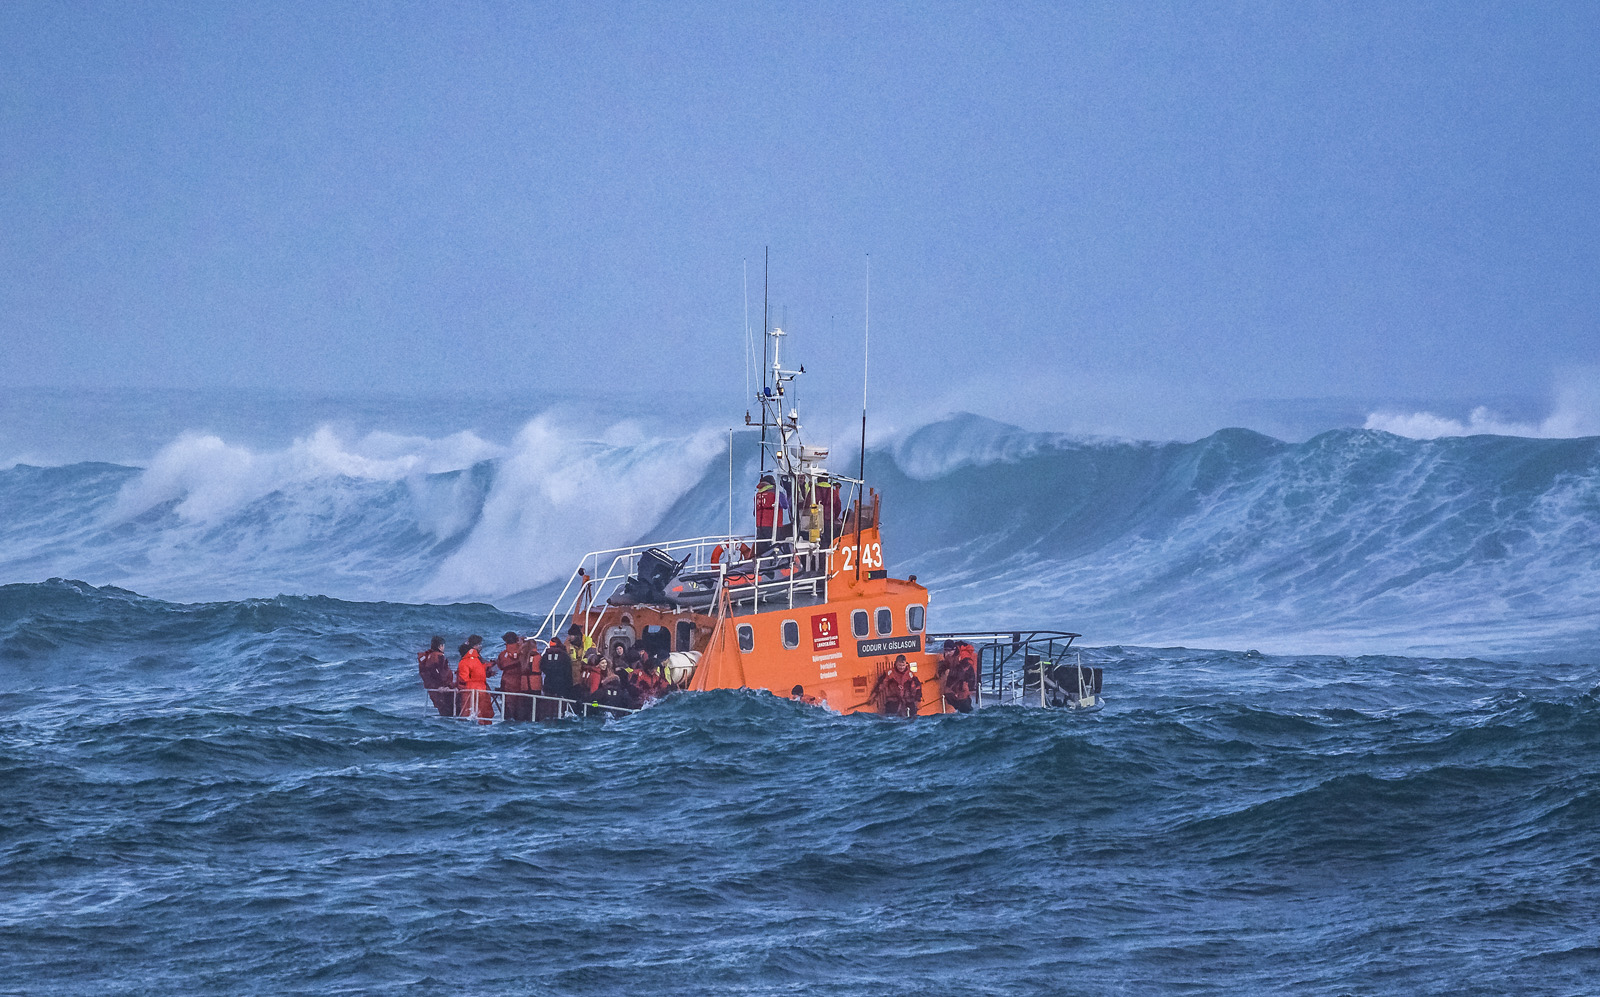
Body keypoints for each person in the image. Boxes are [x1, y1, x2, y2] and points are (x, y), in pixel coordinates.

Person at [456, 636, 494, 724]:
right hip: (482, 690)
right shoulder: (478, 660)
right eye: (478, 644)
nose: (480, 646)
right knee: (485, 714)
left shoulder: (465, 661)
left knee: (469, 715)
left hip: (469, 690)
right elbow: (480, 673)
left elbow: (463, 678)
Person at [496, 632, 532, 722]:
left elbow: (500, 666)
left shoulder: (502, 654)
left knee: (508, 712)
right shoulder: (524, 652)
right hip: (522, 684)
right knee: (520, 711)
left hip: (507, 684)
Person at [934, 640, 979, 714]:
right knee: (947, 693)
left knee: (963, 695)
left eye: (949, 651)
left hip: (967, 677)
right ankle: (959, 708)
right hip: (955, 675)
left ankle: (968, 711)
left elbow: (963, 672)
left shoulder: (964, 656)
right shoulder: (948, 656)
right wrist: (940, 671)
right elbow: (946, 664)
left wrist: (950, 673)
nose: (948, 653)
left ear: (954, 649)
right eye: (946, 651)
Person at [417, 636, 457, 717]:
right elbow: (440, 673)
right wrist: (444, 686)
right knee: (450, 711)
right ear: (440, 646)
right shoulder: (438, 657)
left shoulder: (427, 657)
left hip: (432, 689)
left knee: (443, 711)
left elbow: (426, 674)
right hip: (442, 690)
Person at [754, 473, 782, 555]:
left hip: (760, 526)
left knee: (761, 546)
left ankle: (759, 563)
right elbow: (785, 505)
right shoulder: (777, 493)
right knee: (774, 545)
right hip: (773, 525)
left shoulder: (757, 495)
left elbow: (754, 512)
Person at [541, 636, 572, 703]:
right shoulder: (564, 655)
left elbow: (542, 667)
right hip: (561, 683)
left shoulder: (546, 655)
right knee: (561, 703)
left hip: (548, 682)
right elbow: (568, 670)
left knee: (549, 702)